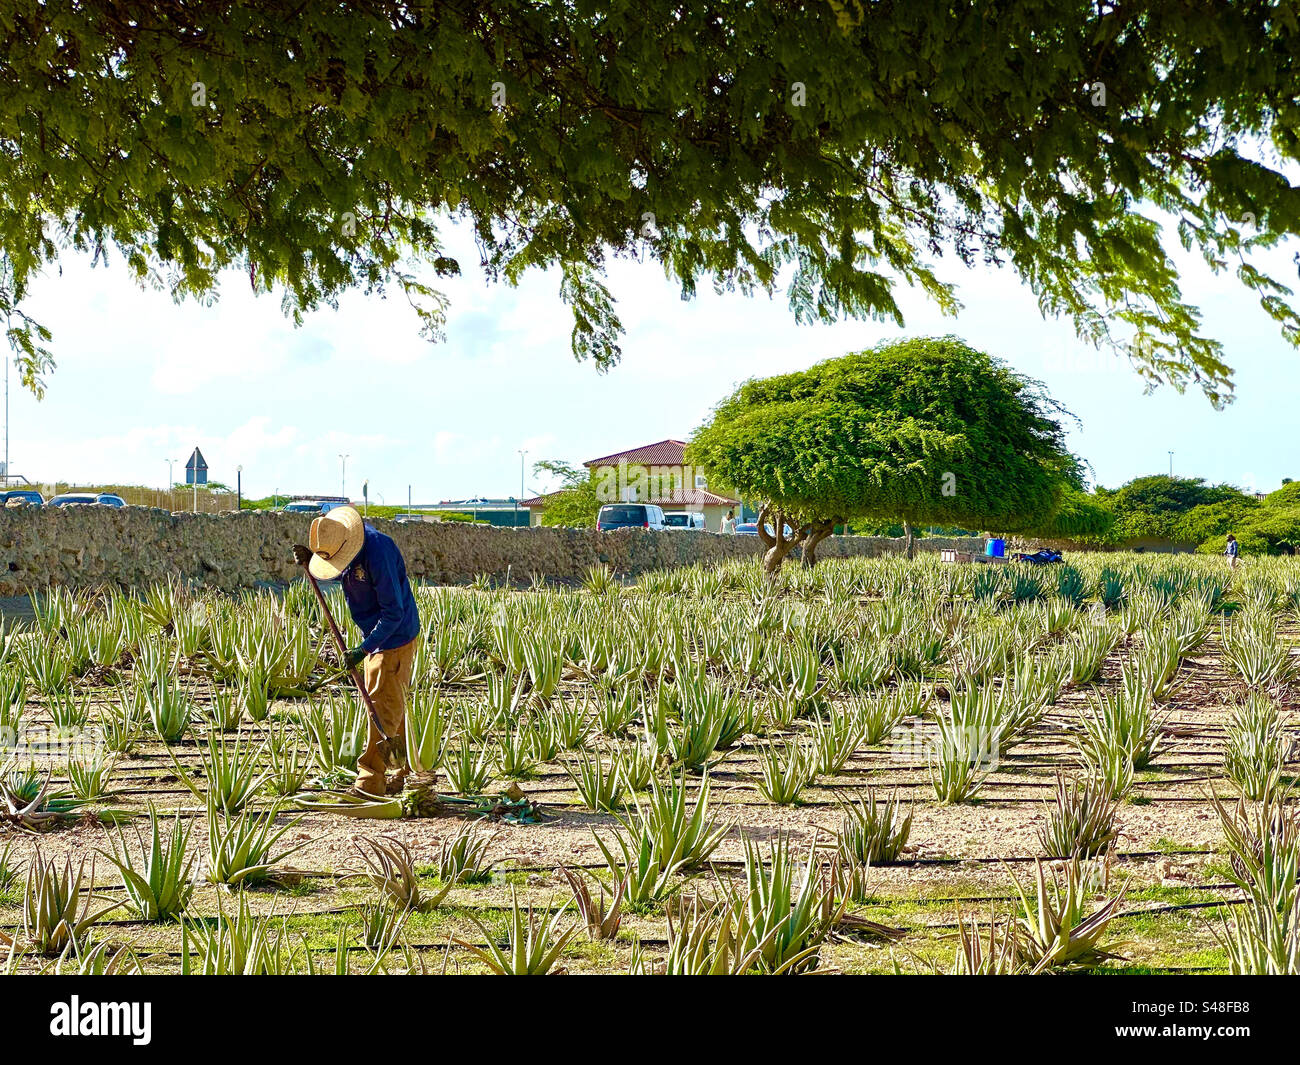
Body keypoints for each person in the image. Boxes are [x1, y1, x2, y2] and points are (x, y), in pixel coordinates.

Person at [293, 506, 421, 797]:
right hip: (375, 638)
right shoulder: (346, 548)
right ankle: (407, 775)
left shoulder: (379, 552)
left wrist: (363, 650)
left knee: (380, 707)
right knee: (393, 708)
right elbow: (343, 572)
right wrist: (314, 559)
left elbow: (394, 613)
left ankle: (370, 783)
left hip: (394, 637)